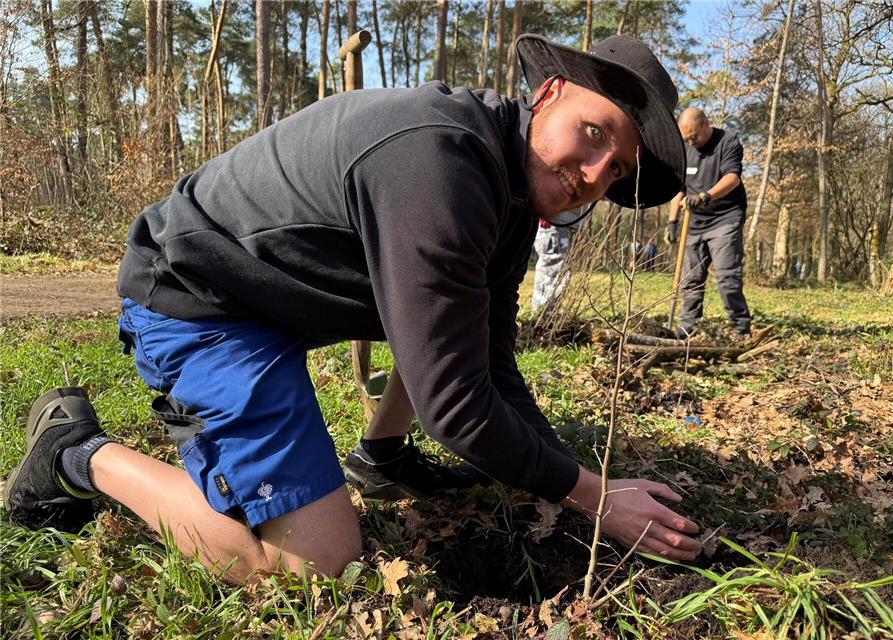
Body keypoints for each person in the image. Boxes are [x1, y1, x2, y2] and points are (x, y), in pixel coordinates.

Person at [4, 34, 701, 585]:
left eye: (615, 171)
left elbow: (486, 354)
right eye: (595, 134)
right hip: (199, 299)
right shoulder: (442, 164)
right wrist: (593, 496)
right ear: (548, 93)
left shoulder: (513, 190)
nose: (591, 175)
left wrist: (573, 473)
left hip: (271, 300)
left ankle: (381, 457)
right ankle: (77, 453)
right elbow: (455, 407)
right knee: (313, 563)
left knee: (450, 321)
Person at [665, 108, 751, 338]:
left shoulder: (727, 142)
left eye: (694, 136)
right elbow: (679, 189)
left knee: (726, 276)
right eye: (687, 138)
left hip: (725, 217)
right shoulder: (684, 149)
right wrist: (672, 221)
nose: (691, 142)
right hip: (694, 221)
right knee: (691, 277)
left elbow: (732, 178)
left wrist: (705, 196)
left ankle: (740, 327)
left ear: (706, 124)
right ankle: (687, 325)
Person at [531, 206, 584, 313]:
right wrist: (545, 211)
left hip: (570, 221)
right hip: (554, 222)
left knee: (562, 273)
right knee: (552, 270)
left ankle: (549, 315)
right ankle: (541, 317)